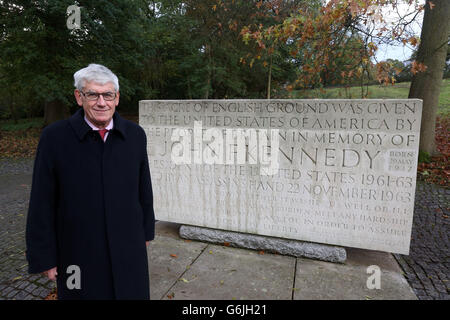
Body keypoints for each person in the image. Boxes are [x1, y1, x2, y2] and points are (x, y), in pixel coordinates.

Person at [25, 63, 155, 300]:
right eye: (93, 94)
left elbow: (143, 188)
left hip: (129, 246)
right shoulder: (54, 138)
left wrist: (146, 233)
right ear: (79, 97)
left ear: (117, 98)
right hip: (77, 252)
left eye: (108, 95)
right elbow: (41, 201)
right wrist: (44, 256)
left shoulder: (135, 135)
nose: (101, 102)